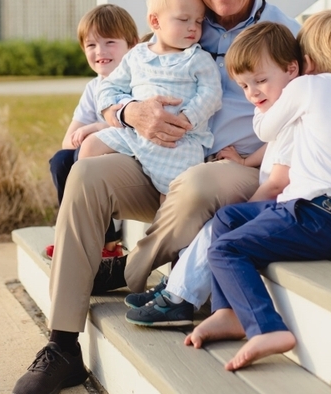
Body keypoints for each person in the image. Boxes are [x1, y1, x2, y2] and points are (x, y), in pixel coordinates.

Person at [12, 0, 331, 394]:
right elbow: (114, 84)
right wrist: (128, 111)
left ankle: (128, 271)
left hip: (239, 170)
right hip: (157, 160)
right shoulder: (179, 14)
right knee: (87, 173)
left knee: (202, 183)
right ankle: (63, 345)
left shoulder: (285, 31)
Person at [185, 9, 331, 372]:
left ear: (305, 61)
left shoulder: (307, 86)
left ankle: (267, 328)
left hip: (312, 213)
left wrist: (276, 97)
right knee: (228, 218)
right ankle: (228, 312)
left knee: (227, 249)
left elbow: (265, 130)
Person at [124, 21, 298, 326]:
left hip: (284, 201)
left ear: (293, 69)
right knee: (213, 230)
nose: (252, 93)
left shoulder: (295, 109)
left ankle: (178, 297)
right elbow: (274, 147)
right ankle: (176, 290)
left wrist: (246, 208)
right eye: (244, 86)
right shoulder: (278, 107)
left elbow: (278, 179)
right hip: (270, 189)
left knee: (220, 227)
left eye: (259, 81)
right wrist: (245, 163)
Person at [78, 0, 222, 197]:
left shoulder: (197, 59)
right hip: (135, 135)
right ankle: (101, 214)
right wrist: (111, 111)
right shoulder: (137, 56)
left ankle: (164, 225)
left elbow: (212, 93)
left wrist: (187, 118)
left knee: (175, 197)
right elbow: (109, 86)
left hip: (178, 143)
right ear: (155, 22)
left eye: (198, 21)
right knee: (88, 147)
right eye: (184, 20)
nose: (193, 27)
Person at [46, 4, 139, 259]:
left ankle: (106, 241)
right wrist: (86, 136)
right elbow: (69, 141)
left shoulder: (138, 81)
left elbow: (132, 124)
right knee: (61, 161)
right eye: (91, 45)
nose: (100, 52)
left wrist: (97, 128)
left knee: (84, 159)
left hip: (130, 162)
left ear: (132, 45)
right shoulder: (93, 88)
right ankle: (72, 233)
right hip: (93, 158)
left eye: (110, 42)